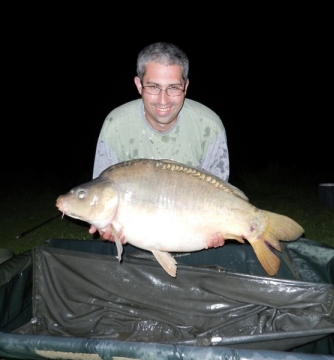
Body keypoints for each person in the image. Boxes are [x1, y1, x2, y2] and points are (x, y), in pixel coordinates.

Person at [89, 42, 229, 247]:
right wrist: (106, 227)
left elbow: (219, 197)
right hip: (137, 239)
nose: (163, 100)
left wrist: (218, 229)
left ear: (186, 87)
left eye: (173, 88)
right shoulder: (115, 125)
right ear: (139, 85)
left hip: (191, 231)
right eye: (154, 87)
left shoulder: (210, 126)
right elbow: (101, 190)